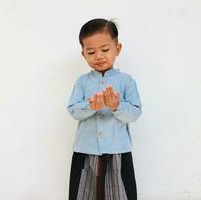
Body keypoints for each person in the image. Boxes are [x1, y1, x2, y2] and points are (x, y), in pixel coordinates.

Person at [67, 18, 142, 200]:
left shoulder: (126, 81)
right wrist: (90, 106)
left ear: (118, 49)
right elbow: (73, 110)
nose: (98, 56)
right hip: (86, 150)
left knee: (120, 193)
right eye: (91, 52)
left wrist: (116, 106)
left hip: (118, 150)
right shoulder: (82, 82)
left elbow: (135, 113)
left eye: (105, 50)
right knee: (84, 193)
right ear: (83, 54)